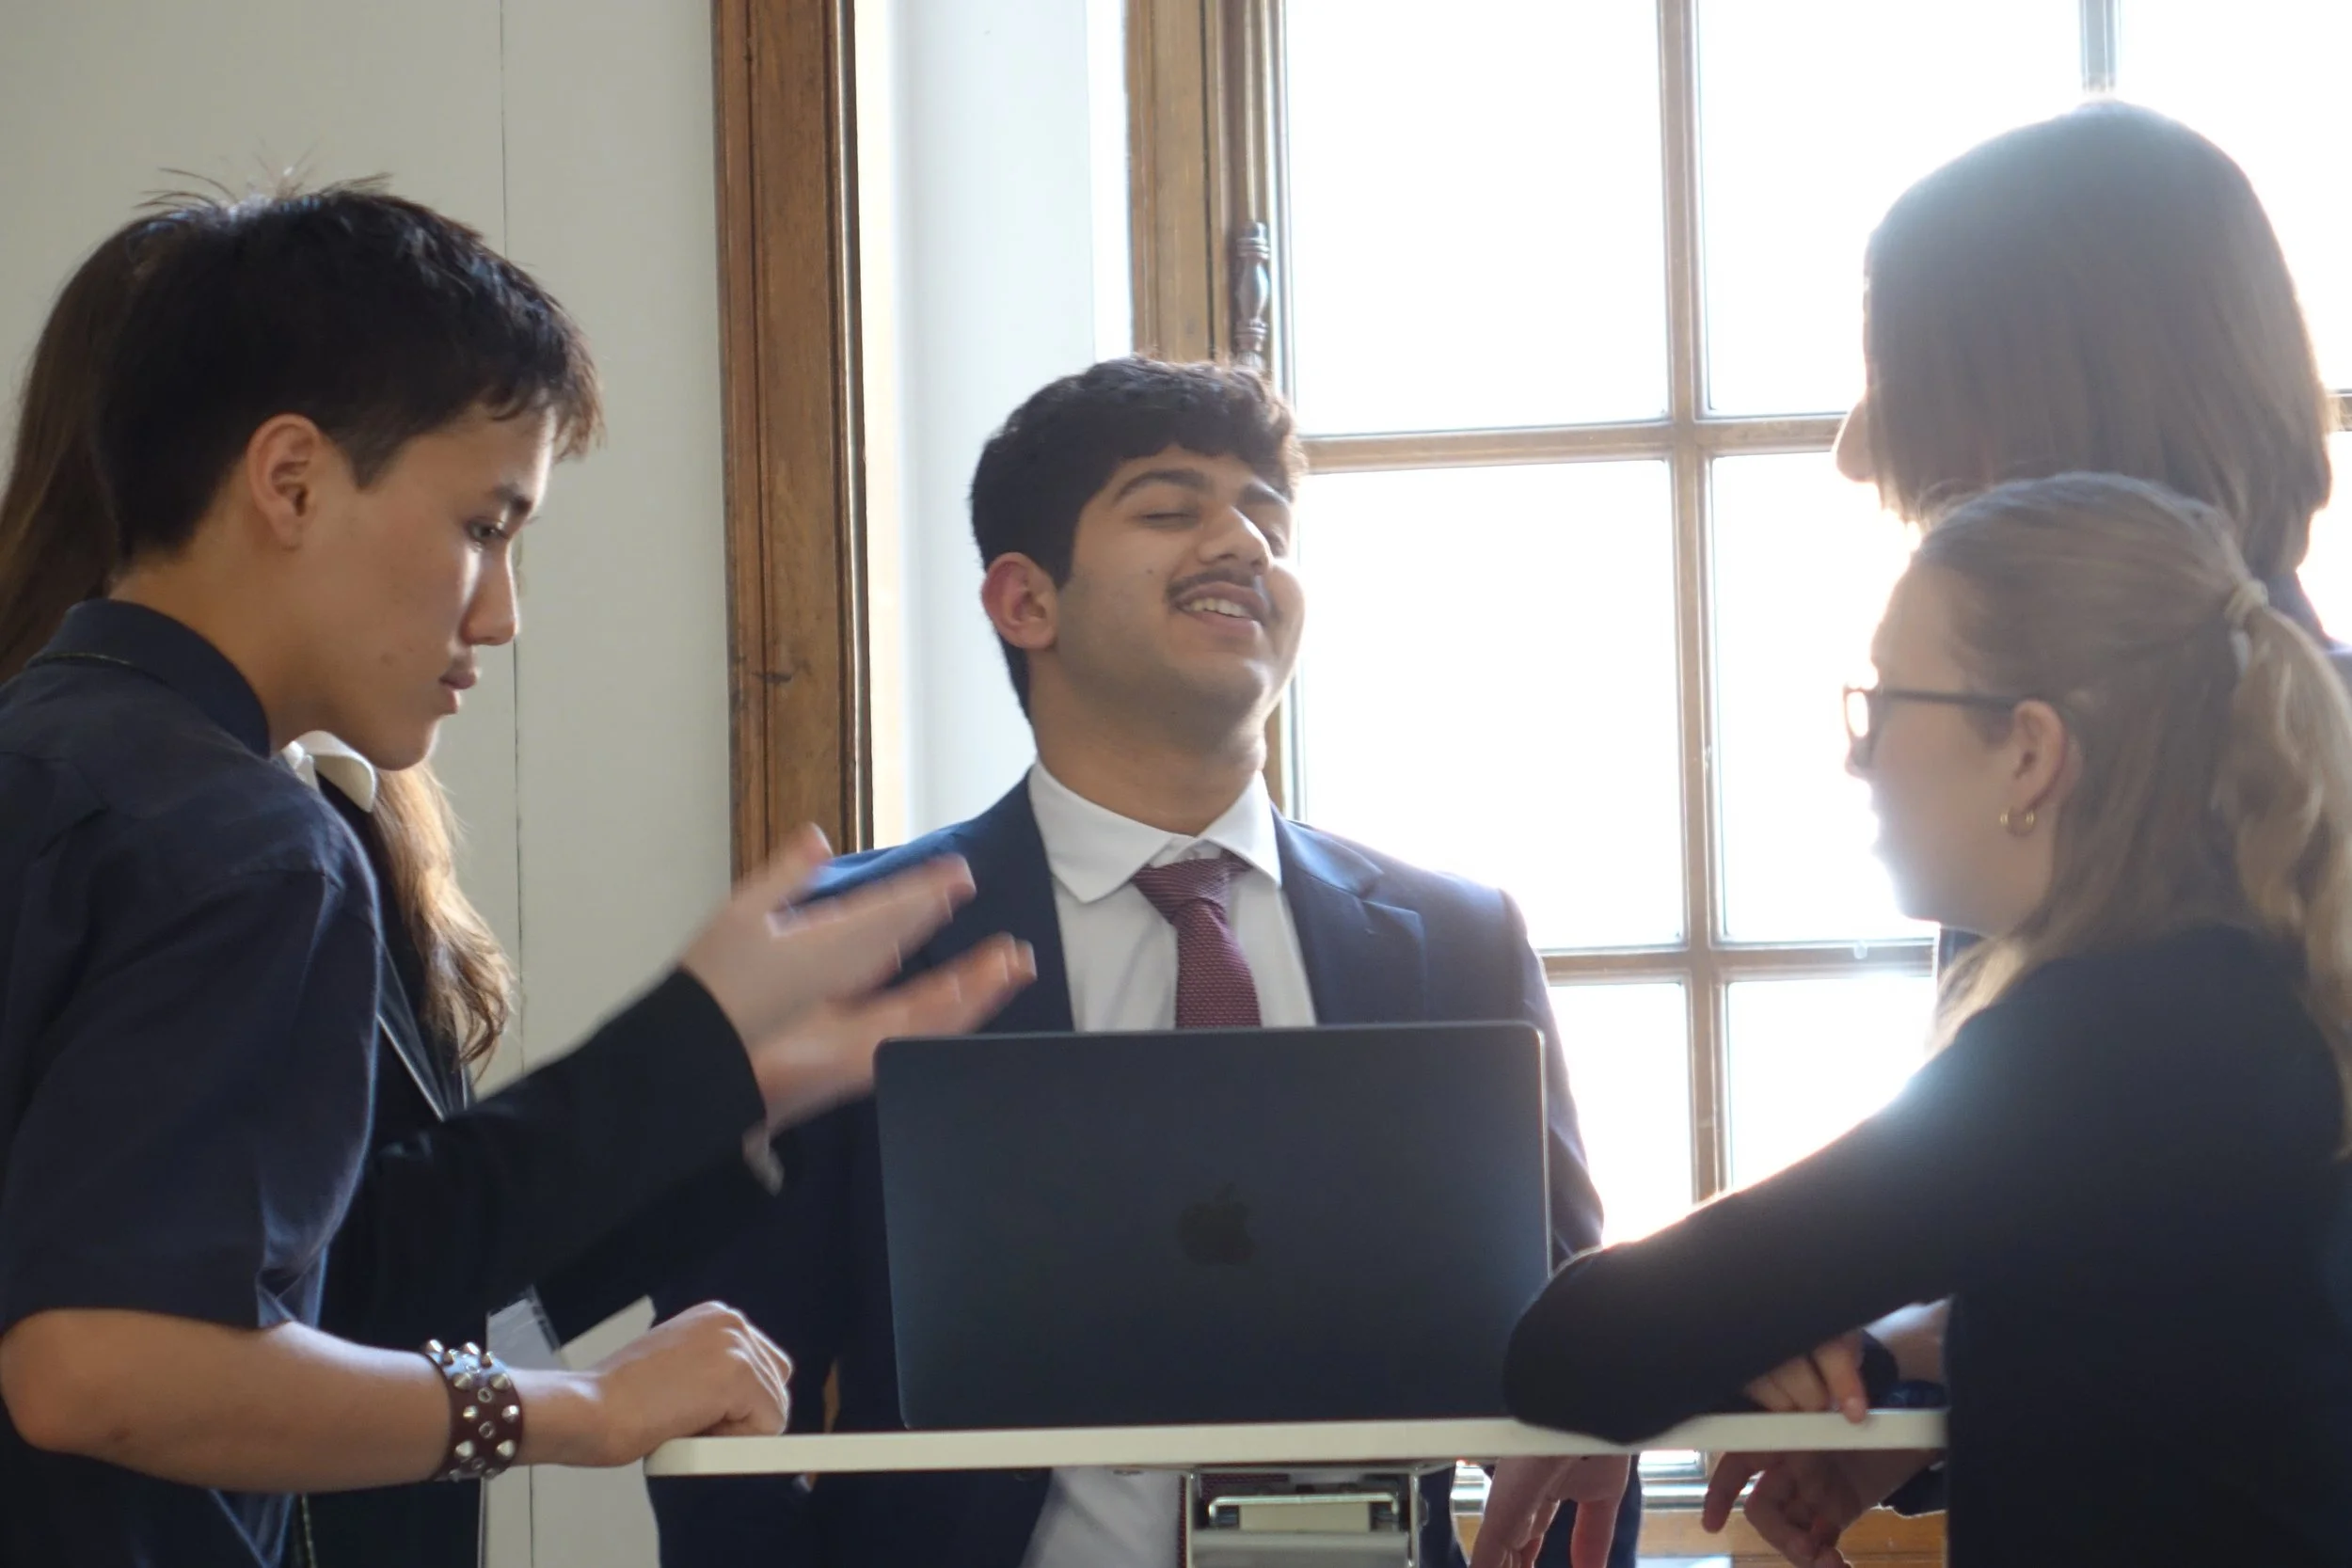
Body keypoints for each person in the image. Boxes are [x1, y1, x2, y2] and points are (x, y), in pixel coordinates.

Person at [0, 186, 1033, 1568]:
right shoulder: (252, 840)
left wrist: (722, 1079)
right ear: (288, 478)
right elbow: (101, 1367)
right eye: (486, 526)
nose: (503, 610)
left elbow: (320, 1265)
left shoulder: (54, 753)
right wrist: (571, 1408)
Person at [645, 356, 1641, 1568]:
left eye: (1268, 520)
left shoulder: (1457, 938)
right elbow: (727, 1402)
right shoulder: (853, 943)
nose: (1240, 542)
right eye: (1171, 509)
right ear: (1024, 603)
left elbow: (1591, 1365)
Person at [1622, 100, 2352, 1567]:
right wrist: (1890, 1359)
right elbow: (2155, 1253)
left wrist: (1763, 1310)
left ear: (2035, 398)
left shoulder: (2146, 841)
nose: (1854, 448)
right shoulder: (2080, 797)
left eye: (1896, 376)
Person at [1485, 473, 2352, 1568]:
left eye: (1887, 700)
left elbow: (1579, 1348)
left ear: (2029, 752)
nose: (1858, 752)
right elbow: (2123, 1321)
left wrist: (1753, 1337)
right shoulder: (2247, 991)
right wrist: (1878, 1365)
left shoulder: (2091, 1045)